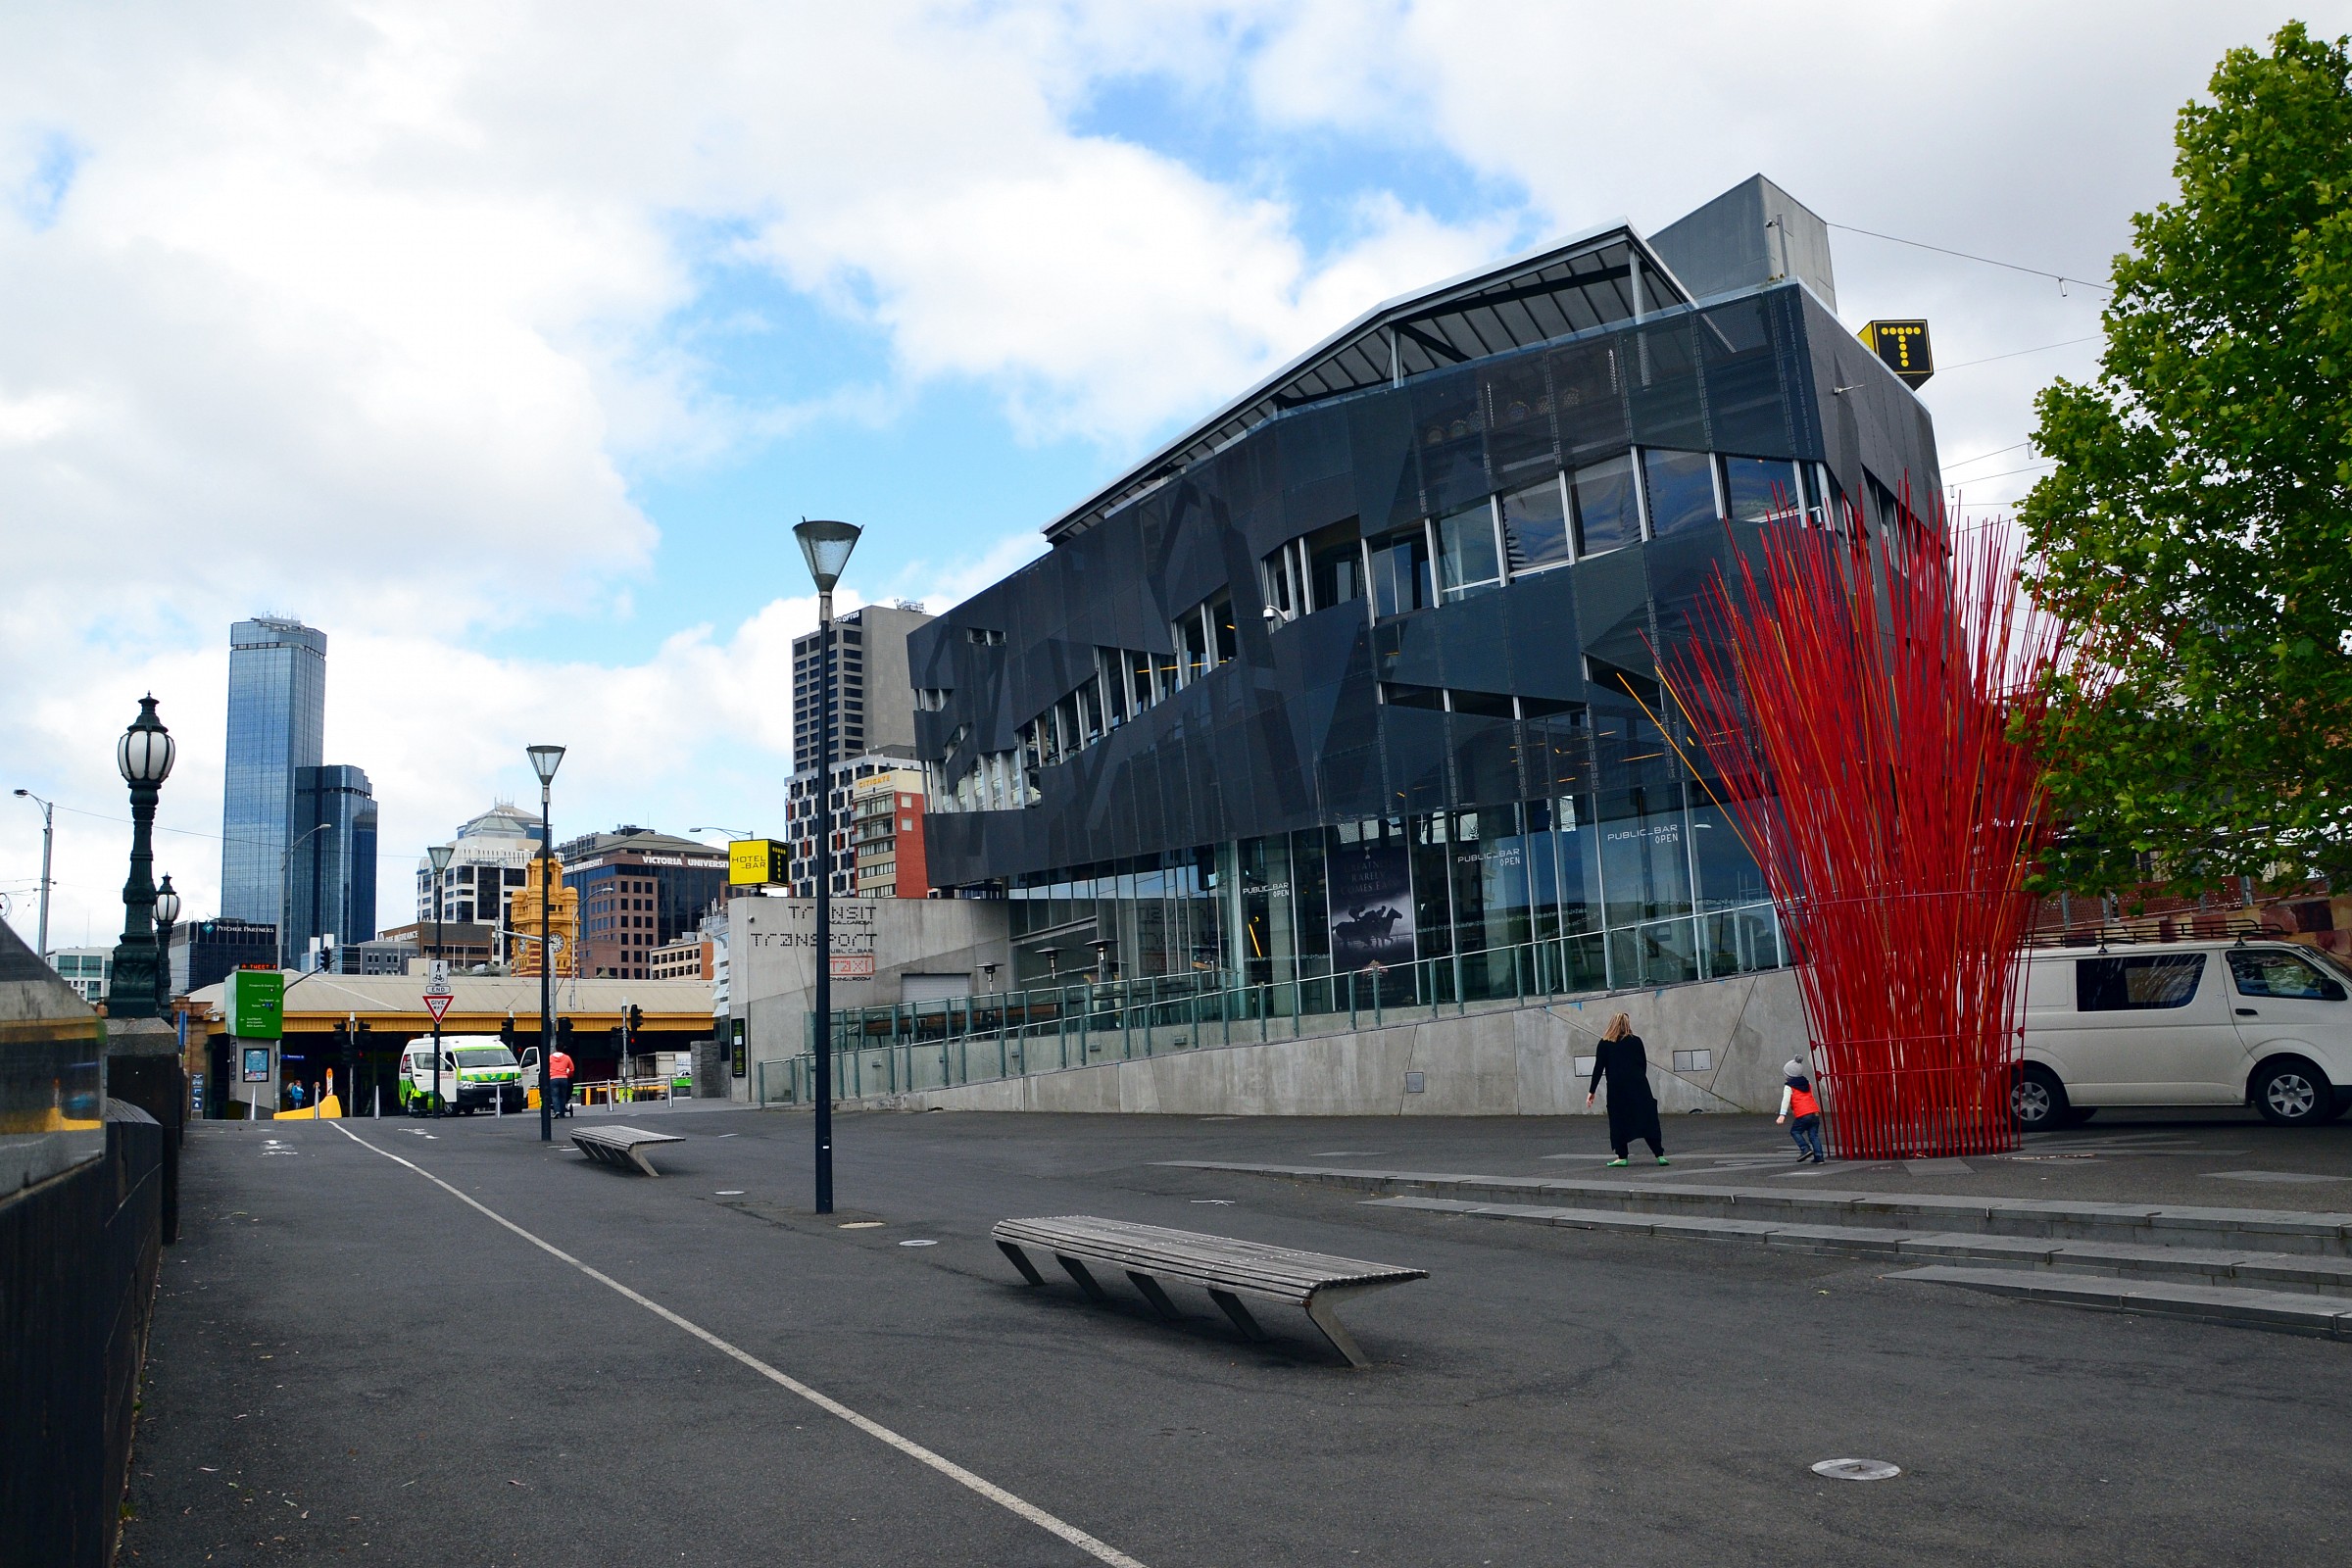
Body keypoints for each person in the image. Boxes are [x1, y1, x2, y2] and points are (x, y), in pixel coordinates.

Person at [1585, 1012, 1667, 1166]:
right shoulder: (1636, 1041)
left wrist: (1592, 1091)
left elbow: (1598, 1069)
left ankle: (1622, 1156)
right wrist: (1638, 1079)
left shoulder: (1604, 1044)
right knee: (1647, 1117)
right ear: (1627, 1024)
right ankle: (1659, 1154)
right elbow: (1643, 1063)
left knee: (1618, 1119)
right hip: (1639, 1085)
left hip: (1617, 1088)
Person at [1777, 1057, 1826, 1163]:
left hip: (1803, 1114)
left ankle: (1805, 1149)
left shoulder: (1789, 1086)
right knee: (1813, 1135)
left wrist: (1782, 1114)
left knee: (1795, 1131)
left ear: (1788, 1075)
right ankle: (1819, 1156)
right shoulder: (1807, 1084)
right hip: (1815, 1112)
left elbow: (1785, 1100)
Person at [549, 1045, 575, 1118]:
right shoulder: (567, 1058)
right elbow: (572, 1069)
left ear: (555, 1049)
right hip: (564, 1078)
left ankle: (556, 1111)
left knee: (555, 1096)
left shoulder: (550, 1058)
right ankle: (562, 1112)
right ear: (563, 1049)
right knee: (563, 1096)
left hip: (553, 1078)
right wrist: (569, 1075)